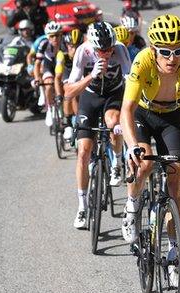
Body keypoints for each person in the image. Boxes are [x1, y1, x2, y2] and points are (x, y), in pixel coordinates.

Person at [119, 14, 180, 248]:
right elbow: (126, 110)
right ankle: (132, 207)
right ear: (153, 49)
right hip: (142, 115)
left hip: (171, 117)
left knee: (176, 176)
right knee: (144, 164)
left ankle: (174, 248)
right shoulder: (142, 61)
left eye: (178, 50)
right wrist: (132, 145)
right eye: (165, 51)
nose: (172, 58)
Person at [64, 22, 130, 229]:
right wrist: (91, 76)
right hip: (90, 98)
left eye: (109, 48)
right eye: (102, 50)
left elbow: (130, 78)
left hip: (113, 96)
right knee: (83, 151)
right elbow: (68, 92)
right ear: (92, 47)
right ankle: (82, 206)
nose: (107, 53)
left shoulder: (119, 49)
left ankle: (117, 162)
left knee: (113, 123)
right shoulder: (83, 52)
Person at [54, 28, 83, 141]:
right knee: (70, 91)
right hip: (67, 71)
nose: (74, 50)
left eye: (77, 46)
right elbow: (57, 78)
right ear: (66, 45)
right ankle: (68, 122)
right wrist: (58, 95)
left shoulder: (85, 52)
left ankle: (79, 119)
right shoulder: (62, 54)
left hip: (80, 71)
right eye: (71, 46)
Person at [34, 21, 63, 127]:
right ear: (48, 36)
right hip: (48, 66)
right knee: (49, 84)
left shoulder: (65, 43)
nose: (55, 38)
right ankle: (49, 108)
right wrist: (37, 78)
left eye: (57, 35)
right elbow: (37, 64)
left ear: (61, 35)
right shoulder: (44, 44)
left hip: (61, 67)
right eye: (52, 36)